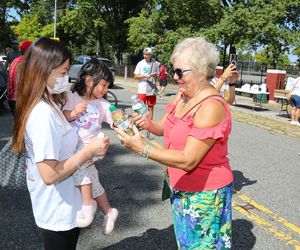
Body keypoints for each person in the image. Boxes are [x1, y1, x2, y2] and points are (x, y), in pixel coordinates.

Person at [115, 37, 233, 249]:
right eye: (173, 70)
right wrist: (146, 124)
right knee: (186, 244)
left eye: (180, 72)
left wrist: (142, 147)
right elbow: (163, 127)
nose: (174, 76)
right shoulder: (182, 95)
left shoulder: (211, 106)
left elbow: (188, 160)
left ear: (203, 72)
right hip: (180, 187)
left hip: (204, 195)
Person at [12, 37, 109, 250]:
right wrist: (89, 151)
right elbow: (49, 174)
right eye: (63, 72)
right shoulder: (43, 114)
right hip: (57, 207)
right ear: (43, 70)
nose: (67, 78)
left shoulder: (51, 102)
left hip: (66, 201)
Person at [62, 58, 118, 234]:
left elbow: (116, 119)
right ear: (88, 81)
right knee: (93, 180)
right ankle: (108, 211)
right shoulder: (71, 98)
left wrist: (125, 122)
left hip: (92, 148)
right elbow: (63, 116)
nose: (105, 90)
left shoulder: (103, 105)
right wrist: (73, 113)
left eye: (108, 86)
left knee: (81, 165)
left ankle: (88, 205)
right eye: (103, 85)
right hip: (75, 147)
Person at [133, 47, 160, 121]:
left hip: (151, 89)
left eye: (147, 54)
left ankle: (149, 123)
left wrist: (155, 76)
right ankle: (139, 123)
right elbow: (135, 76)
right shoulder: (140, 63)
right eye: (144, 54)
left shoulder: (155, 63)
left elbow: (158, 77)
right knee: (140, 108)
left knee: (151, 107)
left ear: (151, 55)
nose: (145, 56)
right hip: (142, 89)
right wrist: (145, 76)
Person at [7, 40, 32, 115]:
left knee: (18, 125)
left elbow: (9, 81)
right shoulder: (26, 63)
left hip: (12, 99)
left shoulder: (15, 60)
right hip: (21, 100)